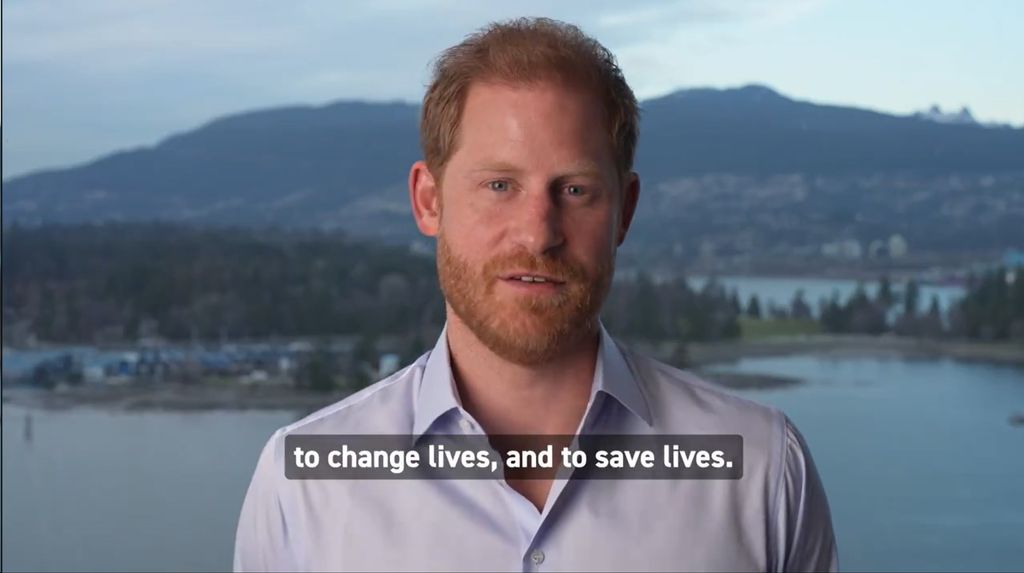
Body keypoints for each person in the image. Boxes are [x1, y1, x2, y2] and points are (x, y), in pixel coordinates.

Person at [235, 17, 837, 572]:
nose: (537, 233)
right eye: (499, 184)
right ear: (429, 200)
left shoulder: (758, 466)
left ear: (623, 211)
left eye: (574, 190)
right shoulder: (305, 483)